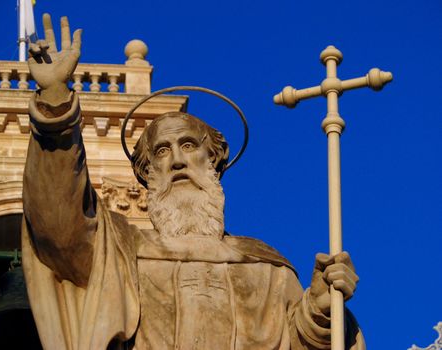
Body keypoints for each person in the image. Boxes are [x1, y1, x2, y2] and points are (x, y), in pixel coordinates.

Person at [22, 14, 364, 350]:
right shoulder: (119, 253)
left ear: (212, 159)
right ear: (147, 173)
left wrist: (320, 308)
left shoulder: (267, 268)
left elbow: (300, 341)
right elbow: (56, 223)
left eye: (188, 146)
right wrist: (55, 103)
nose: (177, 160)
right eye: (161, 152)